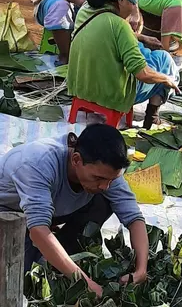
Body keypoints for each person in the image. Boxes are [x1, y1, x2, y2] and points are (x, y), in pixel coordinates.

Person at [0, 124, 149, 297]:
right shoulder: (38, 163)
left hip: (45, 214)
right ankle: (56, 258)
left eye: (111, 180)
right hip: (9, 215)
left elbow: (134, 217)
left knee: (104, 200)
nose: (104, 185)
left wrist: (141, 269)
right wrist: (85, 283)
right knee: (16, 278)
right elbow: (38, 229)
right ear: (76, 160)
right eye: (98, 178)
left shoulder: (105, 171)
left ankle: (63, 254)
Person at [67, 0, 181, 129]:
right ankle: (152, 117)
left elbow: (106, 33)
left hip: (80, 86)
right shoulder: (119, 26)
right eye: (133, 1)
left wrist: (142, 37)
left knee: (143, 49)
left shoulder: (85, 10)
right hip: (111, 95)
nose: (134, 7)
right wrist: (166, 79)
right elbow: (142, 73)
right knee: (165, 60)